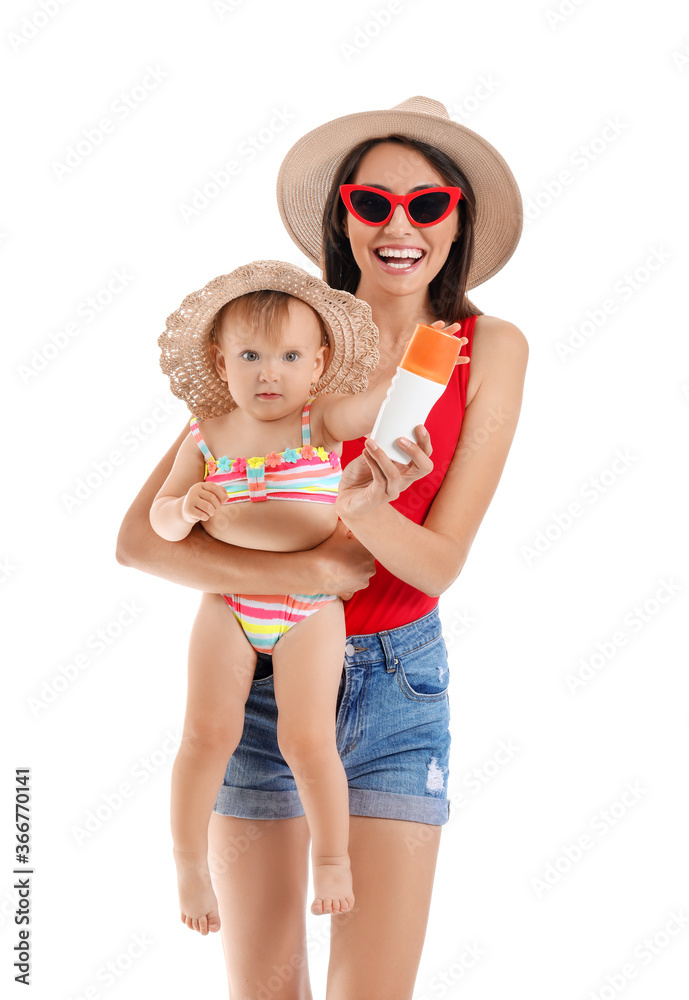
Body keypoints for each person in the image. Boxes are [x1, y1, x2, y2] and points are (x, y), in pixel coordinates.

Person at [117, 96, 528, 1000]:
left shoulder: (487, 347)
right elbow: (139, 544)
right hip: (255, 672)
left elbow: (438, 563)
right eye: (370, 200)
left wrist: (368, 511)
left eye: (428, 204)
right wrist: (306, 572)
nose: (397, 226)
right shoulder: (280, 338)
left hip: (395, 687)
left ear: (459, 219)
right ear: (341, 214)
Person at [149, 259, 465, 929]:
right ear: (220, 359)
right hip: (229, 608)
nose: (270, 372)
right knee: (205, 734)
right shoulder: (206, 433)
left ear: (318, 366)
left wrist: (424, 361)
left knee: (306, 739)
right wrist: (184, 511)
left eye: (291, 356)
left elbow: (386, 402)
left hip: (309, 615)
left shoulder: (318, 422)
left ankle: (330, 859)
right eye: (251, 355)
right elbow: (156, 519)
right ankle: (186, 862)